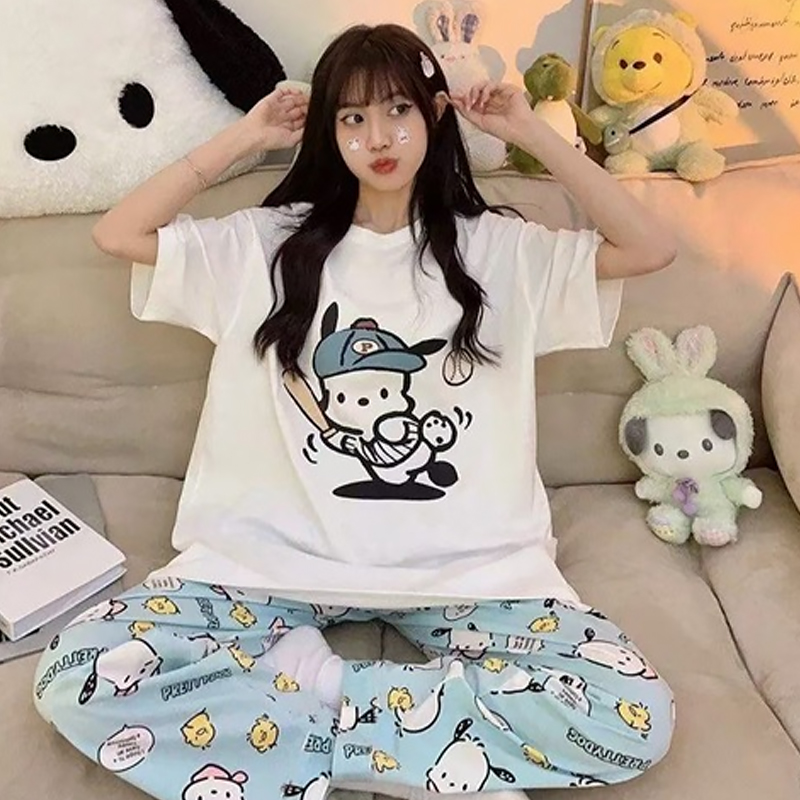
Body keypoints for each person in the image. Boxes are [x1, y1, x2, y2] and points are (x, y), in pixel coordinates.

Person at [34, 23, 677, 800]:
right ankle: (437, 754)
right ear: (329, 131)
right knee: (78, 674)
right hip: (266, 567)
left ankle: (322, 695)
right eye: (353, 117)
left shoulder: (500, 251)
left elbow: (650, 249)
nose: (379, 137)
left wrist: (528, 132)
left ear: (433, 115)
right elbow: (119, 234)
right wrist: (244, 137)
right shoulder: (267, 246)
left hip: (470, 574)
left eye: (399, 110)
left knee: (632, 716)